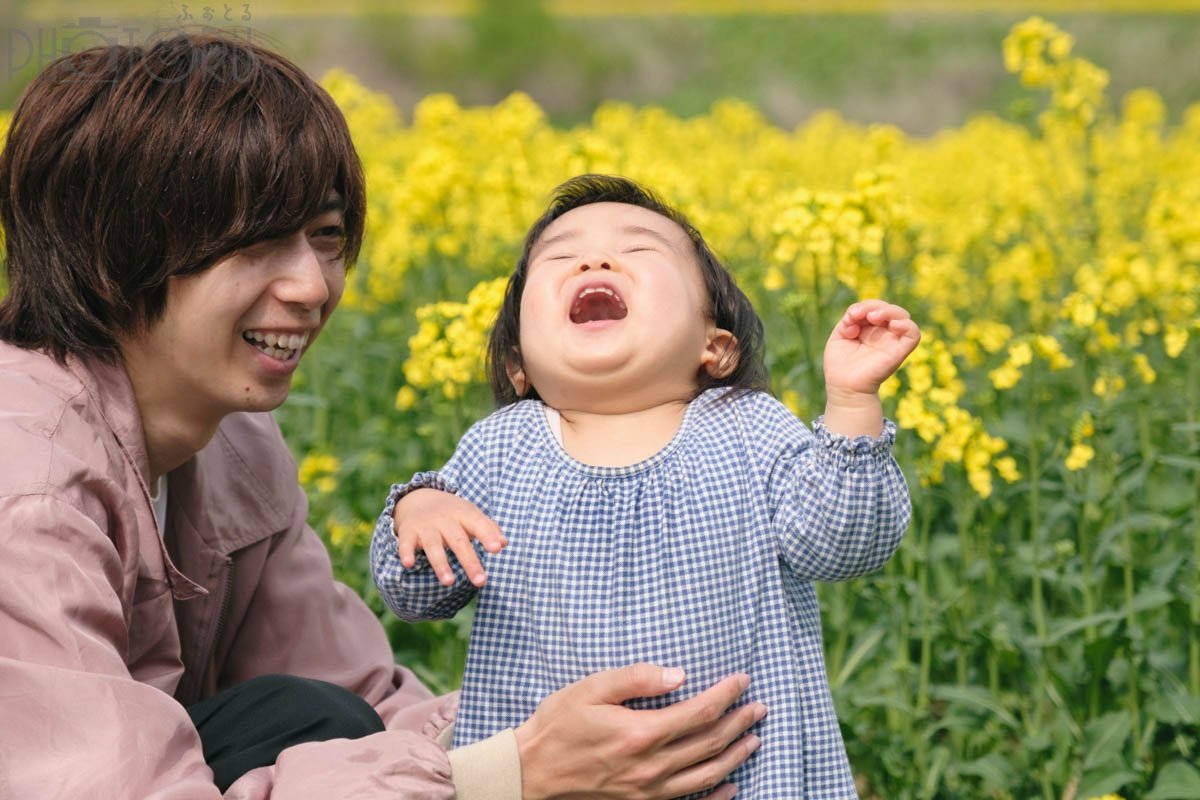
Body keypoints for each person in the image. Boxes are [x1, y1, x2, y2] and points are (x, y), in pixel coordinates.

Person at [0, 36, 763, 799]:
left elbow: (358, 700)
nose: (311, 286)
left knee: (310, 712)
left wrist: (594, 728)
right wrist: (506, 775)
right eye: (259, 243)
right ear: (113, 254)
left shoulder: (234, 444)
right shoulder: (24, 486)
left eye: (325, 237)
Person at [372, 174, 921, 798]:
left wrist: (852, 405)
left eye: (638, 250)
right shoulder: (499, 448)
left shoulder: (748, 427)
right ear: (517, 363)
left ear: (715, 347)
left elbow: (844, 547)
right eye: (560, 256)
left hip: (748, 777)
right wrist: (418, 510)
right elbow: (415, 596)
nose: (594, 259)